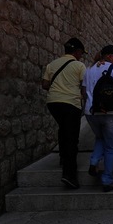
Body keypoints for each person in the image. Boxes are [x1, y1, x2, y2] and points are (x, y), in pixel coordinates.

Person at [41, 37, 87, 189]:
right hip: (71, 103)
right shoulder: (79, 66)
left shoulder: (52, 64)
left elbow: (45, 84)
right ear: (77, 51)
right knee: (72, 137)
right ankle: (69, 174)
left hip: (53, 103)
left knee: (63, 128)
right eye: (81, 53)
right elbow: (84, 86)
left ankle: (62, 156)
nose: (81, 56)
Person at [82, 45, 113, 192]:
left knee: (100, 137)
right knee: (111, 146)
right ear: (108, 56)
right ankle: (107, 179)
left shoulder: (89, 69)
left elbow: (83, 91)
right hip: (111, 113)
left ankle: (94, 161)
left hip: (91, 112)